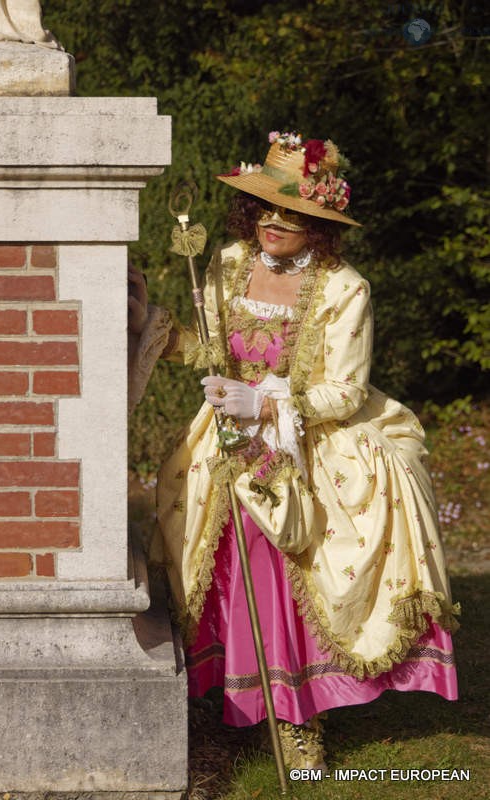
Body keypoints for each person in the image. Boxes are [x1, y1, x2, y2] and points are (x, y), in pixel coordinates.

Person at [129, 131, 459, 771]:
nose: (275, 224)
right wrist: (157, 329)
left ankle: (295, 718)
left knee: (285, 551)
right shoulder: (225, 262)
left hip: (308, 439)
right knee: (215, 550)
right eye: (265, 211)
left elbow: (344, 390)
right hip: (226, 431)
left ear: (320, 222)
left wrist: (269, 405)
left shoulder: (345, 287)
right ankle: (236, 693)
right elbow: (212, 351)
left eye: (294, 214)